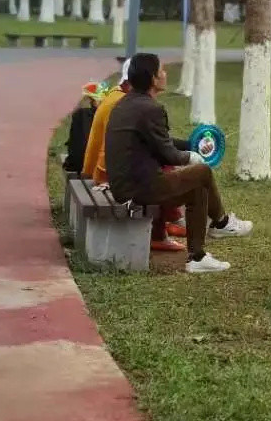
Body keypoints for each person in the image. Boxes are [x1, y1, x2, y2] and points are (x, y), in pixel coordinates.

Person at [105, 53, 252, 275]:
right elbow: (169, 154)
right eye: (162, 71)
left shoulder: (128, 103)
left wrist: (193, 146)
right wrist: (192, 157)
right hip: (138, 188)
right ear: (153, 79)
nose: (166, 74)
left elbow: (159, 142)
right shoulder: (150, 109)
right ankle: (221, 223)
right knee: (201, 172)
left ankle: (197, 257)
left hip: (124, 185)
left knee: (196, 189)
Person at [82, 59, 186, 254]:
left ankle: (167, 224)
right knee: (165, 170)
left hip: (107, 169)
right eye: (160, 71)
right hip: (108, 174)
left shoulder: (120, 97)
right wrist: (189, 154)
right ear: (147, 78)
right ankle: (168, 226)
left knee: (160, 165)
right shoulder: (124, 103)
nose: (165, 74)